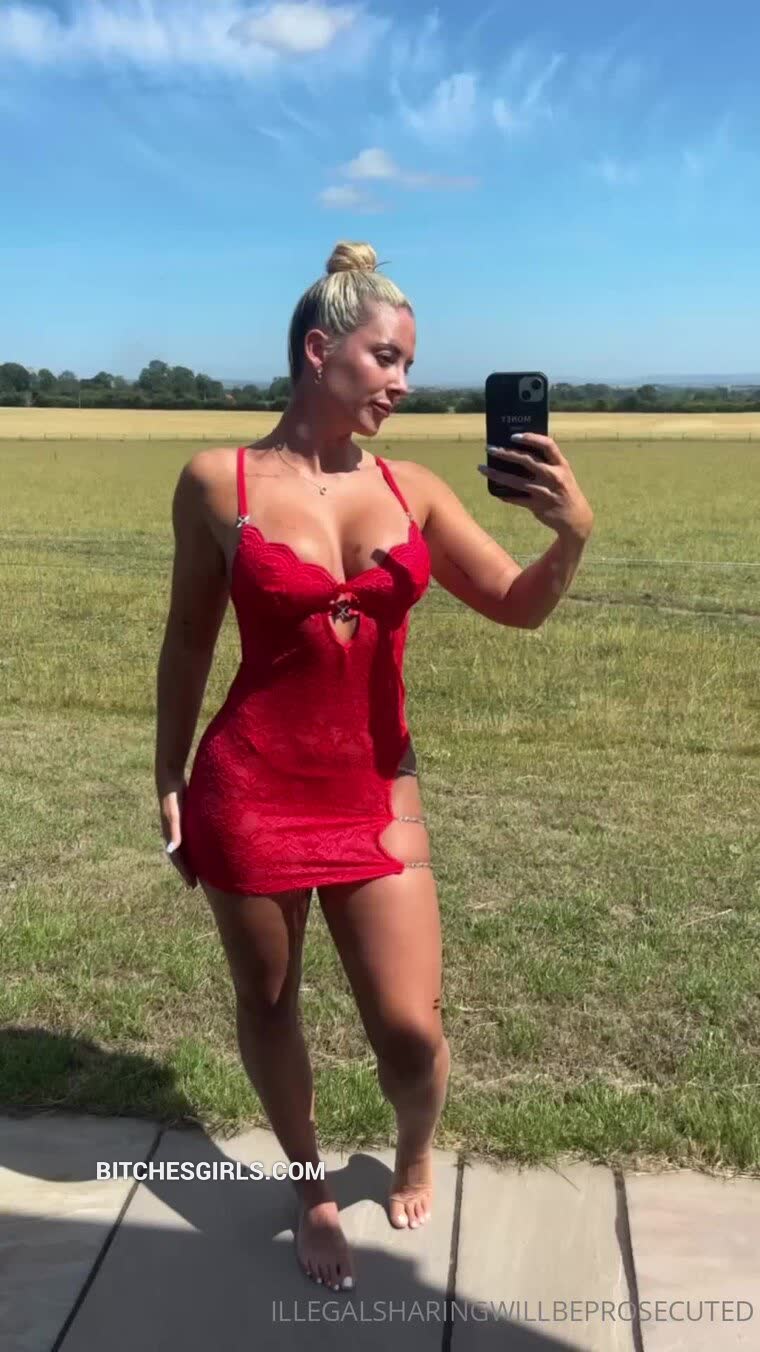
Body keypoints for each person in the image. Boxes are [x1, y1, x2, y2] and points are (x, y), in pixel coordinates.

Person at [154, 239, 594, 1293]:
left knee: (409, 1030)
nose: (404, 382)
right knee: (269, 1003)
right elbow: (189, 638)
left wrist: (570, 534)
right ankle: (308, 1185)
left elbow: (517, 605)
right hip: (249, 787)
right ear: (320, 352)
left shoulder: (415, 487)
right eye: (387, 359)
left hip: (377, 787)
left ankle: (413, 1144)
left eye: (408, 363)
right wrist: (167, 772)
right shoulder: (217, 480)